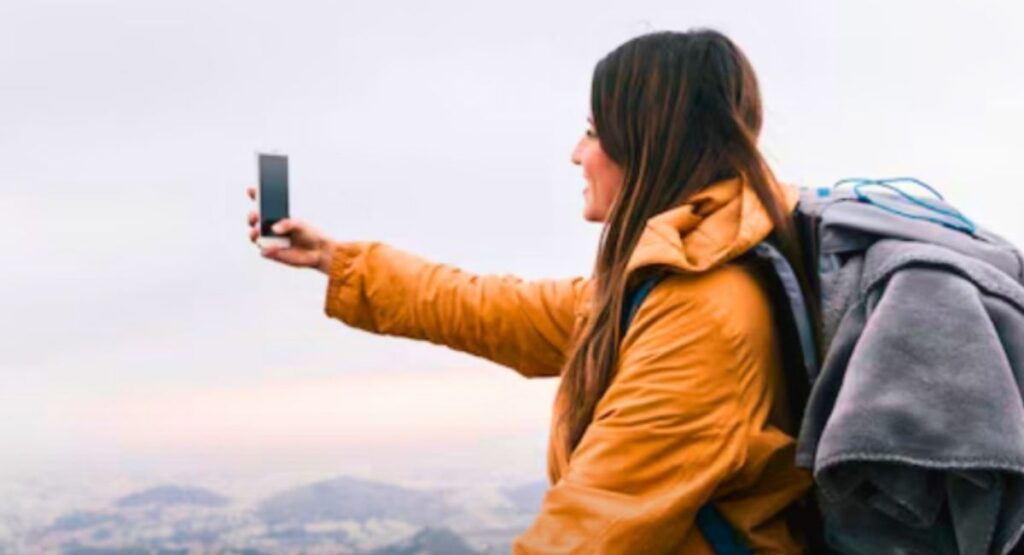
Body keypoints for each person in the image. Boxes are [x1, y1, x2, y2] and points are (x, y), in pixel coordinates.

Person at [246, 29, 813, 554]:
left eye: (592, 131)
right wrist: (335, 260)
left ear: (647, 142)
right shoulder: (671, 283)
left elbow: (593, 525)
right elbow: (490, 306)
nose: (576, 153)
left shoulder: (702, 314)